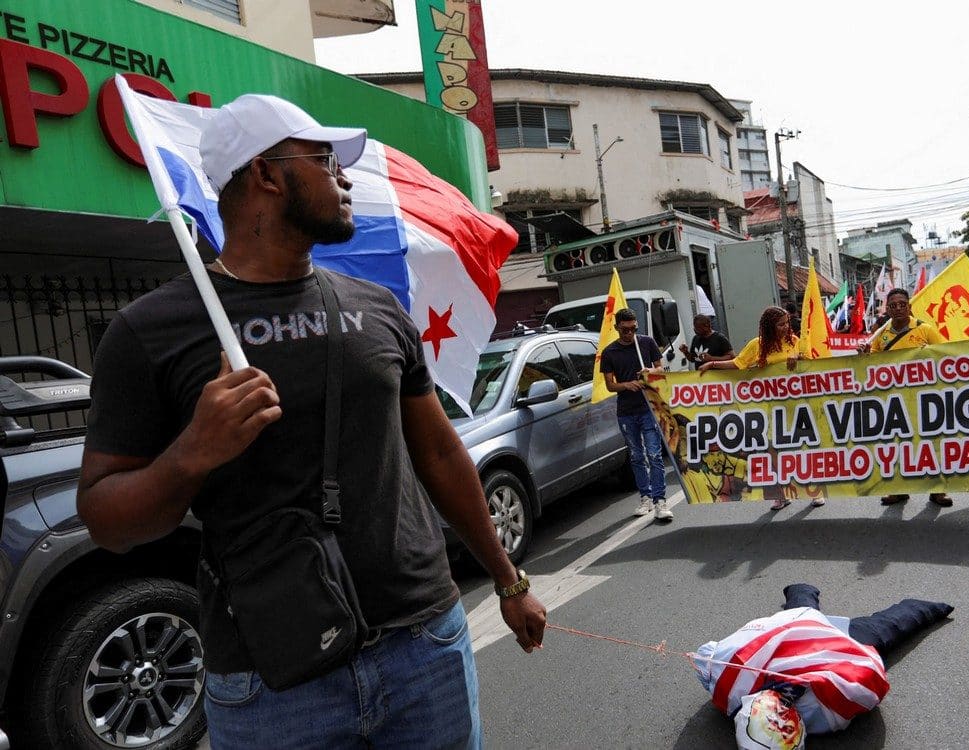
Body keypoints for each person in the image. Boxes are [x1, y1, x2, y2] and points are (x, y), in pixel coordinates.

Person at [76, 93, 546, 748]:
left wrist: (508, 579)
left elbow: (440, 457)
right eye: (325, 160)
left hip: (423, 646)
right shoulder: (148, 332)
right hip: (274, 681)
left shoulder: (378, 307)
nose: (346, 177)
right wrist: (193, 452)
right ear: (266, 174)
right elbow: (105, 518)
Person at [693, 583, 953, 750]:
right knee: (889, 626)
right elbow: (867, 677)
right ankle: (924, 606)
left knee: (806, 609)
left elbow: (713, 659)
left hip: (793, 632)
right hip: (830, 644)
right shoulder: (822, 715)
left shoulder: (730, 691)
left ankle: (801, 590)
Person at [699, 306, 815, 510]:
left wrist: (797, 358)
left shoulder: (794, 341)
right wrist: (712, 365)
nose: (786, 327)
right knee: (774, 450)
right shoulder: (756, 345)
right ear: (770, 327)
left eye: (787, 322)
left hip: (795, 404)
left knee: (801, 447)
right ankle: (782, 493)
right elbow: (738, 364)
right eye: (781, 324)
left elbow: (809, 362)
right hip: (769, 407)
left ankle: (812, 491)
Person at [869, 289, 952, 508]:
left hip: (925, 398)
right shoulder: (880, 335)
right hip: (894, 399)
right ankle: (898, 489)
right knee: (896, 444)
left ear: (909, 307)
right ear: (887, 309)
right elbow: (873, 365)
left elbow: (945, 355)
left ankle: (938, 490)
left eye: (902, 304)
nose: (897, 308)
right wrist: (864, 355)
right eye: (893, 305)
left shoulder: (925, 330)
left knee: (931, 443)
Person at [601, 308, 672, 520]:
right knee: (636, 456)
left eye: (634, 329)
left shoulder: (646, 343)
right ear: (617, 328)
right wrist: (626, 385)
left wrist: (650, 372)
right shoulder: (609, 353)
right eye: (625, 330)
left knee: (654, 454)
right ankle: (645, 498)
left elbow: (661, 370)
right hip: (626, 412)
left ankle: (660, 501)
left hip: (649, 408)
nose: (630, 333)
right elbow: (610, 386)